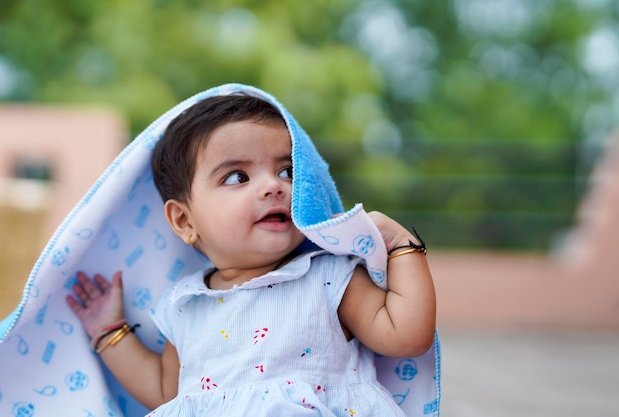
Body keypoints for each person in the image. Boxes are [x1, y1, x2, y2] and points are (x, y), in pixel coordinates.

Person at [66, 93, 436, 416]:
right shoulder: (184, 303)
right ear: (184, 220)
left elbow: (406, 335)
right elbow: (167, 392)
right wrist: (109, 332)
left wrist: (401, 245)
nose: (273, 186)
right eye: (237, 177)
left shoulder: (327, 277)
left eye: (288, 170)